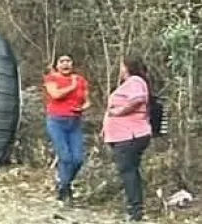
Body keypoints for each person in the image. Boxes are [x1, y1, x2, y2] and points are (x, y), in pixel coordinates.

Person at [102, 56, 154, 222]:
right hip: (124, 135)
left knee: (128, 171)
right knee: (130, 171)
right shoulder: (130, 83)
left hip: (130, 135)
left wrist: (119, 112)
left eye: (122, 66)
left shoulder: (135, 81)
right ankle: (134, 207)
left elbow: (138, 99)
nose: (120, 70)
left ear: (128, 67)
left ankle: (135, 210)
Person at [43, 54, 90, 203]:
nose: (65, 64)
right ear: (57, 65)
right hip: (56, 121)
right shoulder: (52, 78)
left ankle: (64, 185)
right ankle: (65, 190)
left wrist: (83, 107)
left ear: (72, 64)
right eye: (62, 61)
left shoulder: (81, 80)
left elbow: (88, 101)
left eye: (68, 61)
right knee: (65, 157)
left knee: (78, 159)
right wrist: (72, 86)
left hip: (74, 122)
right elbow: (55, 94)